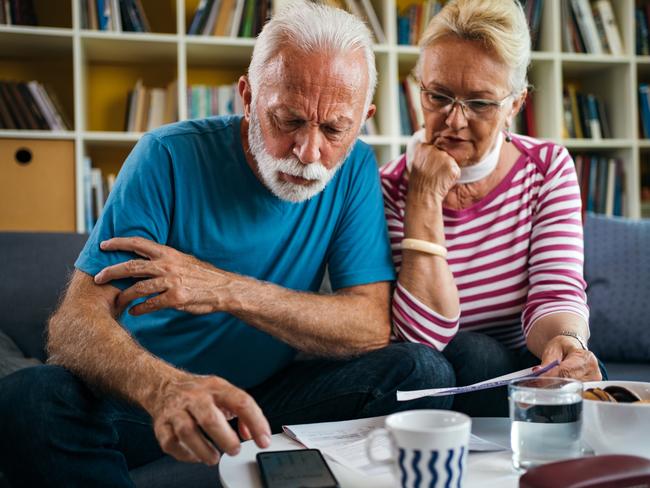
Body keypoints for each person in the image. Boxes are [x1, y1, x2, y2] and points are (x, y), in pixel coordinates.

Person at [0, 3, 456, 487]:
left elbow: (368, 323)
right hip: (146, 400)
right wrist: (166, 390)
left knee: (422, 371)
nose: (308, 153)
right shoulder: (166, 156)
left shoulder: (356, 170)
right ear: (247, 95)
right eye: (288, 120)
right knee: (31, 397)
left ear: (362, 120)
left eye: (333, 129)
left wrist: (222, 289)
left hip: (264, 400)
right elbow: (74, 324)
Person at [380, 0, 603, 417]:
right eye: (438, 96)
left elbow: (555, 292)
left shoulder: (547, 167)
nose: (454, 120)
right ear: (420, 88)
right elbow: (420, 338)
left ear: (514, 105)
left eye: (480, 103)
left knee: (582, 373)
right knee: (467, 354)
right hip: (438, 383)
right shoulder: (390, 187)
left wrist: (567, 343)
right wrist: (424, 196)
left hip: (521, 370)